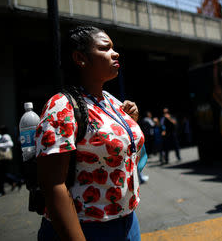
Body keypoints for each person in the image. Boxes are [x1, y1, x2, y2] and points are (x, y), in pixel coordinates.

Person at [36, 26, 143, 241]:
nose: (116, 53)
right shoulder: (60, 106)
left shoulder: (110, 100)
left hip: (127, 221)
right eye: (105, 48)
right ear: (80, 58)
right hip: (85, 228)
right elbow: (54, 184)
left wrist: (132, 121)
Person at [0, 125, 14, 197]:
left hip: (4, 158)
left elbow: (10, 144)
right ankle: (14, 182)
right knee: (2, 174)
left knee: (1, 174)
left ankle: (3, 190)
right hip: (2, 158)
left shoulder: (6, 136)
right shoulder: (3, 136)